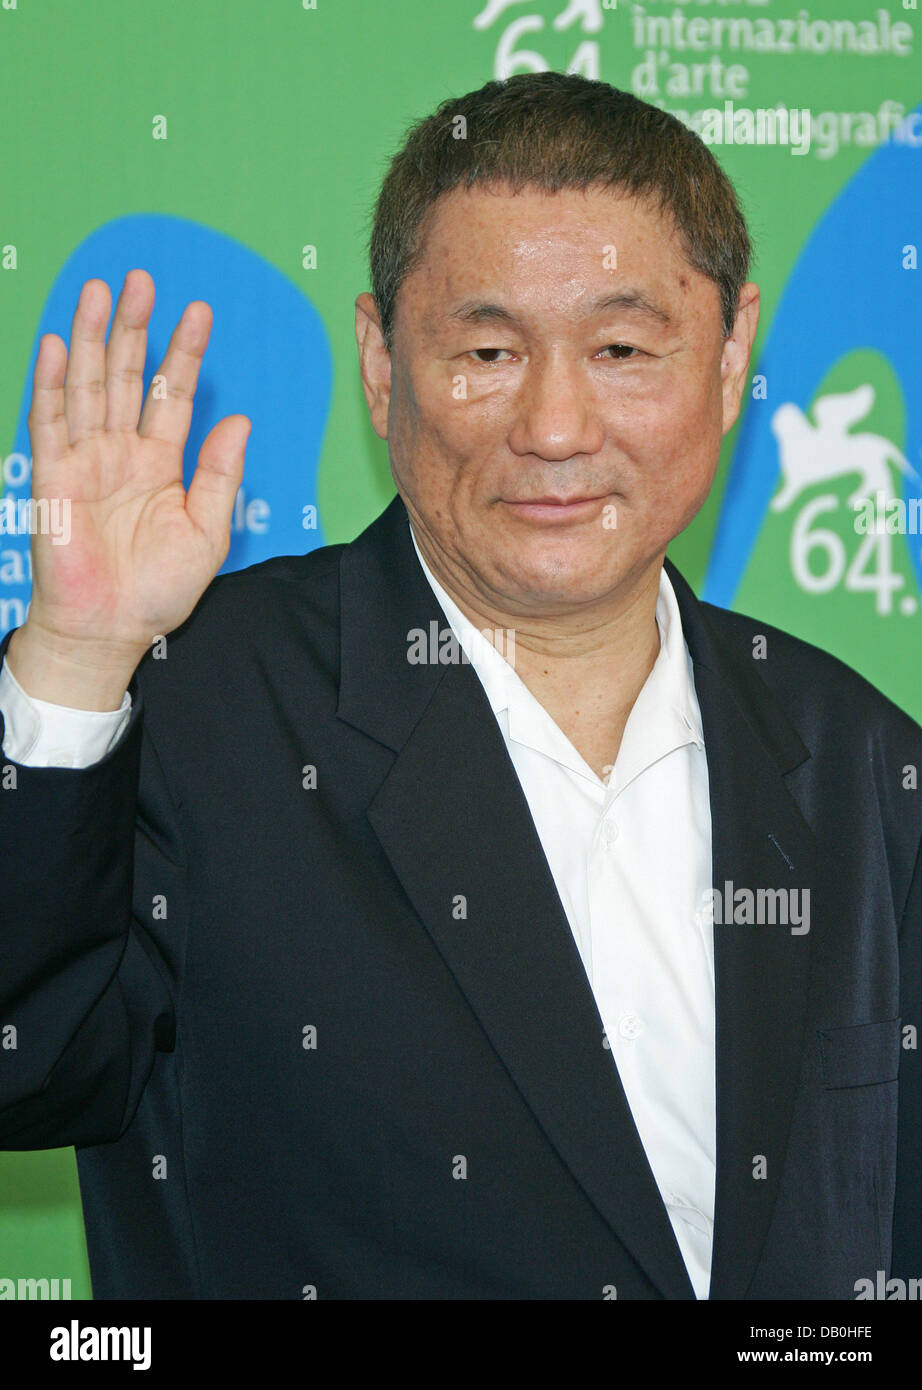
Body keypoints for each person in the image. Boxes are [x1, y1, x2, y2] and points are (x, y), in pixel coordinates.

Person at [0, 71, 919, 1301]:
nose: (552, 424)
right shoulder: (191, 713)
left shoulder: (857, 755)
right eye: (486, 350)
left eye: (622, 348)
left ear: (729, 354)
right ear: (380, 361)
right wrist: (67, 661)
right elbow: (24, 1068)